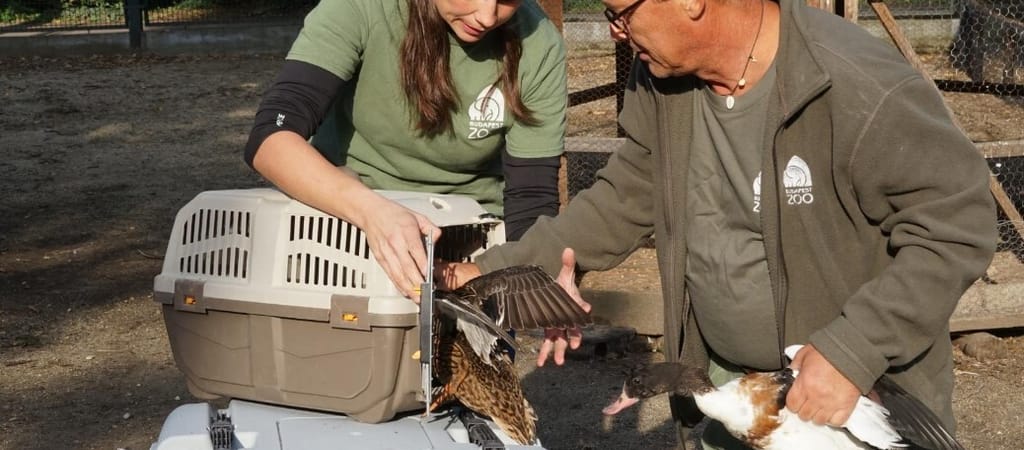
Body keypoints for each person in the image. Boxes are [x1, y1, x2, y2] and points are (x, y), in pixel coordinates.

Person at [438, 0, 998, 448]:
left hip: (849, 404)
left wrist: (852, 351)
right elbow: (623, 196)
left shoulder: (853, 82)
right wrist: (484, 273)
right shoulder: (660, 79)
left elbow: (957, 225)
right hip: (729, 393)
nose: (615, 32)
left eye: (621, 13)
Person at [244, 0, 568, 298]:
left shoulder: (539, 43)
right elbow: (272, 137)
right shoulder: (361, 8)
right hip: (343, 225)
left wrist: (535, 284)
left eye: (507, 0)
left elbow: (531, 199)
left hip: (468, 245)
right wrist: (372, 211)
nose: (487, 16)